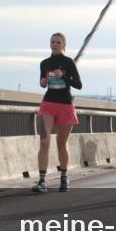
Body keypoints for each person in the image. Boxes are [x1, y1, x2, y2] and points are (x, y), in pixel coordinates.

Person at [32, 32, 82, 193]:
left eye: (58, 42)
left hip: (65, 105)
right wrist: (43, 82)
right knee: (44, 142)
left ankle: (64, 177)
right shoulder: (44, 63)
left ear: (63, 45)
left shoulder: (68, 62)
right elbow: (42, 82)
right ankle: (41, 181)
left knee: (61, 144)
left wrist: (64, 77)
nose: (54, 45)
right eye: (52, 42)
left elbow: (78, 84)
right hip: (48, 103)